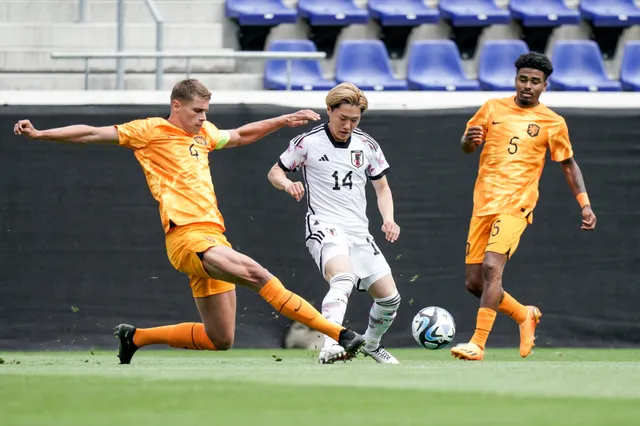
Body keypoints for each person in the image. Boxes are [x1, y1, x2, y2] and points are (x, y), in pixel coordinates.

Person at [13, 78, 365, 364]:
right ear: (176, 105)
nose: (202, 117)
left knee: (220, 338)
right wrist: (41, 134)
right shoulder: (149, 131)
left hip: (213, 237)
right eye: (197, 110)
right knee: (259, 275)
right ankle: (340, 334)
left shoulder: (204, 133)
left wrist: (281, 121)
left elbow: (241, 135)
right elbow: (91, 132)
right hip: (186, 236)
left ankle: (135, 338)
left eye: (206, 111)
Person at [451, 53, 597, 361]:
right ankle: (524, 314)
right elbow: (467, 147)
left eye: (534, 82)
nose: (527, 86)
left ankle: (477, 343)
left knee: (492, 267)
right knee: (474, 283)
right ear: (515, 80)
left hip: (517, 203)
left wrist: (584, 204)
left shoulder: (553, 122)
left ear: (545, 85)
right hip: (484, 204)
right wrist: (466, 139)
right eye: (523, 79)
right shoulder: (492, 108)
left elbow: (568, 164)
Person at [267, 83, 402, 364]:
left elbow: (383, 188)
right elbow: (275, 172)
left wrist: (389, 219)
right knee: (344, 279)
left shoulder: (367, 145)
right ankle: (330, 344)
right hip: (324, 225)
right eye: (343, 119)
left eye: (355, 120)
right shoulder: (308, 142)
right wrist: (286, 184)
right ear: (329, 110)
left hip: (358, 231)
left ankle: (372, 344)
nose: (348, 125)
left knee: (390, 299)